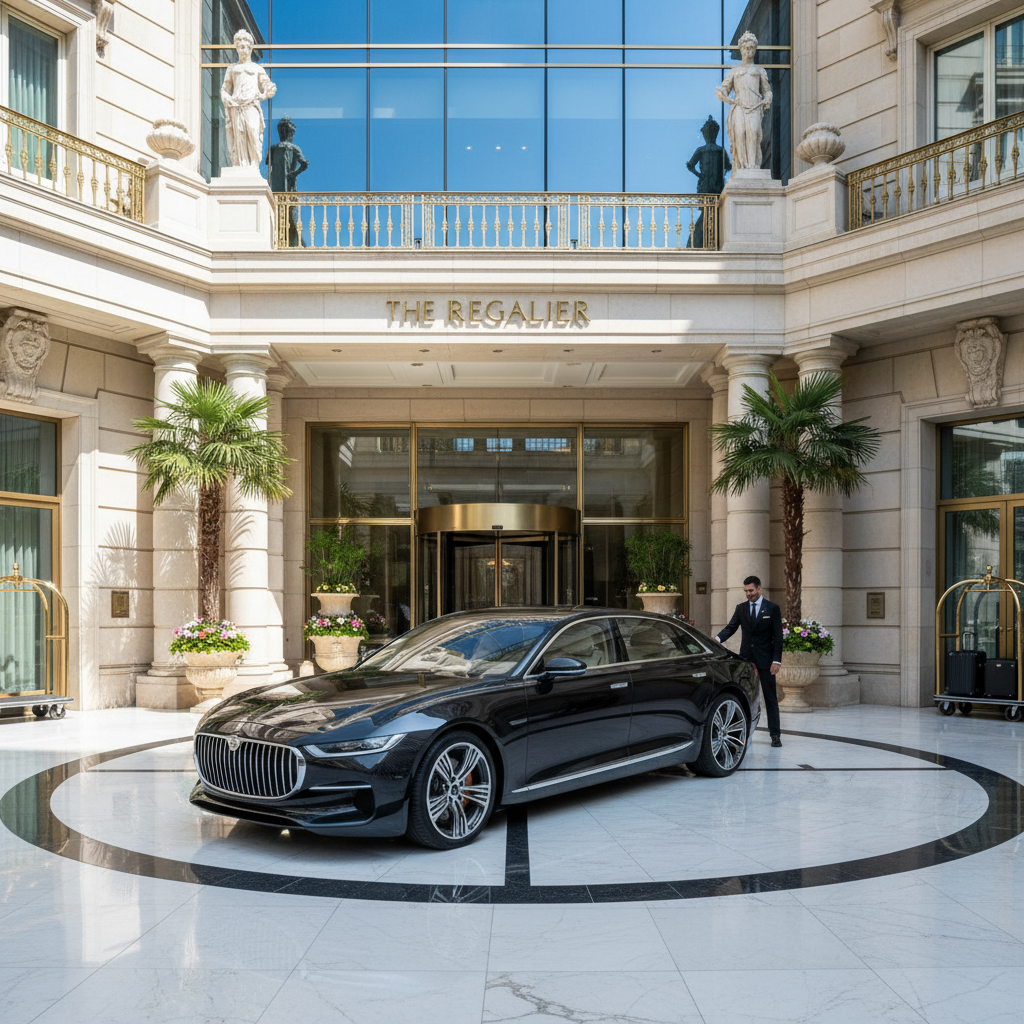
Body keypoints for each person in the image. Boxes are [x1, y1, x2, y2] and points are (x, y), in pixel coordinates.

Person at [715, 575, 784, 746]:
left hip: (766, 661)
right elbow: (731, 628)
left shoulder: (772, 608)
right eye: (745, 591)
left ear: (759, 589)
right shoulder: (741, 608)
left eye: (751, 590)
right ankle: (741, 733)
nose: (748, 594)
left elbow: (779, 637)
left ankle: (775, 735)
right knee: (742, 697)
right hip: (746, 660)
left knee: (770, 698)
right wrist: (716, 640)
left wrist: (777, 660)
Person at [714, 31, 772, 171]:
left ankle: (753, 166)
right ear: (741, 50)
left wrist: (767, 98)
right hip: (739, 107)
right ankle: (742, 166)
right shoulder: (734, 71)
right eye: (746, 48)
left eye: (752, 48)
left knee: (753, 134)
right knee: (740, 134)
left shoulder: (760, 71)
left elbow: (767, 90)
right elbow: (725, 88)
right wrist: (721, 93)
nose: (749, 51)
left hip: (755, 107)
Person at [220, 29, 277, 169]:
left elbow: (270, 87)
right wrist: (226, 97)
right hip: (236, 105)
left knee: (252, 131)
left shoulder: (257, 68)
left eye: (245, 47)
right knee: (239, 135)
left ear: (250, 48)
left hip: (251, 105)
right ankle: (241, 165)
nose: (243, 50)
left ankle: (254, 164)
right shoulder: (232, 68)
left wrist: (263, 95)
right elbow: (225, 88)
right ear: (237, 48)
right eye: (240, 47)